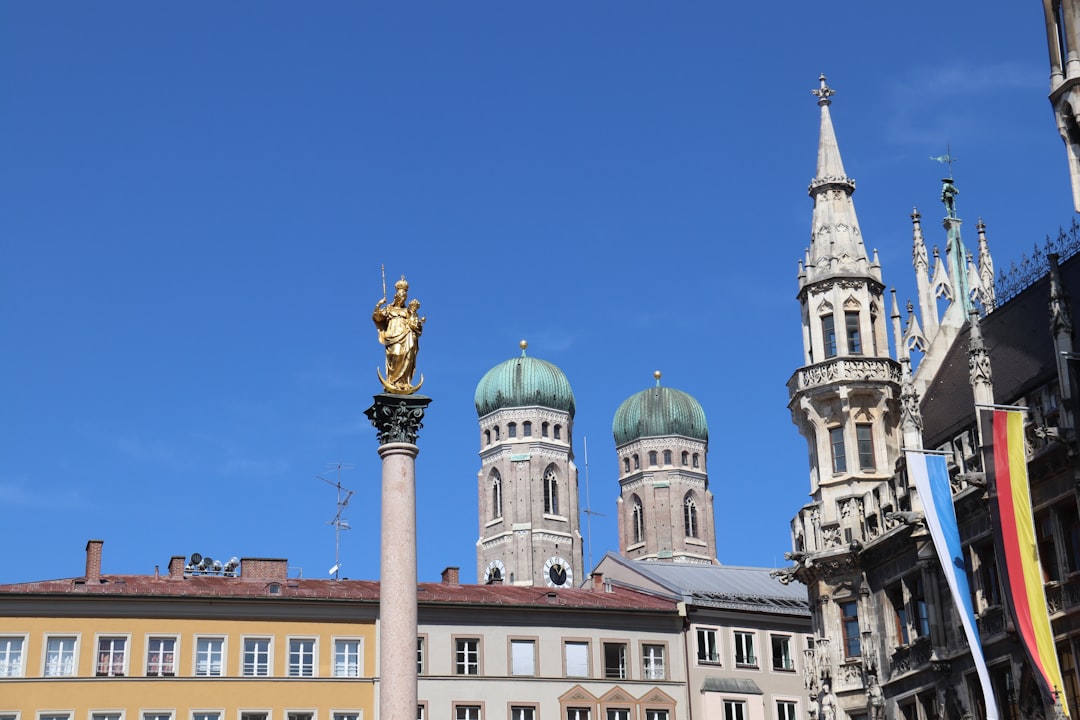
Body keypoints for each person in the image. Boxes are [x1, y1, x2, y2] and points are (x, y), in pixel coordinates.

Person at [373, 276, 424, 393]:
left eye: (404, 297)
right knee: (396, 354)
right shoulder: (389, 309)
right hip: (393, 336)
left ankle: (405, 382)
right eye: (401, 297)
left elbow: (415, 325)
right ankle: (392, 381)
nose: (403, 299)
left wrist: (416, 322)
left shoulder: (408, 311)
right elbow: (377, 317)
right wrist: (378, 305)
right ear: (396, 297)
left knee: (408, 356)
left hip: (407, 336)